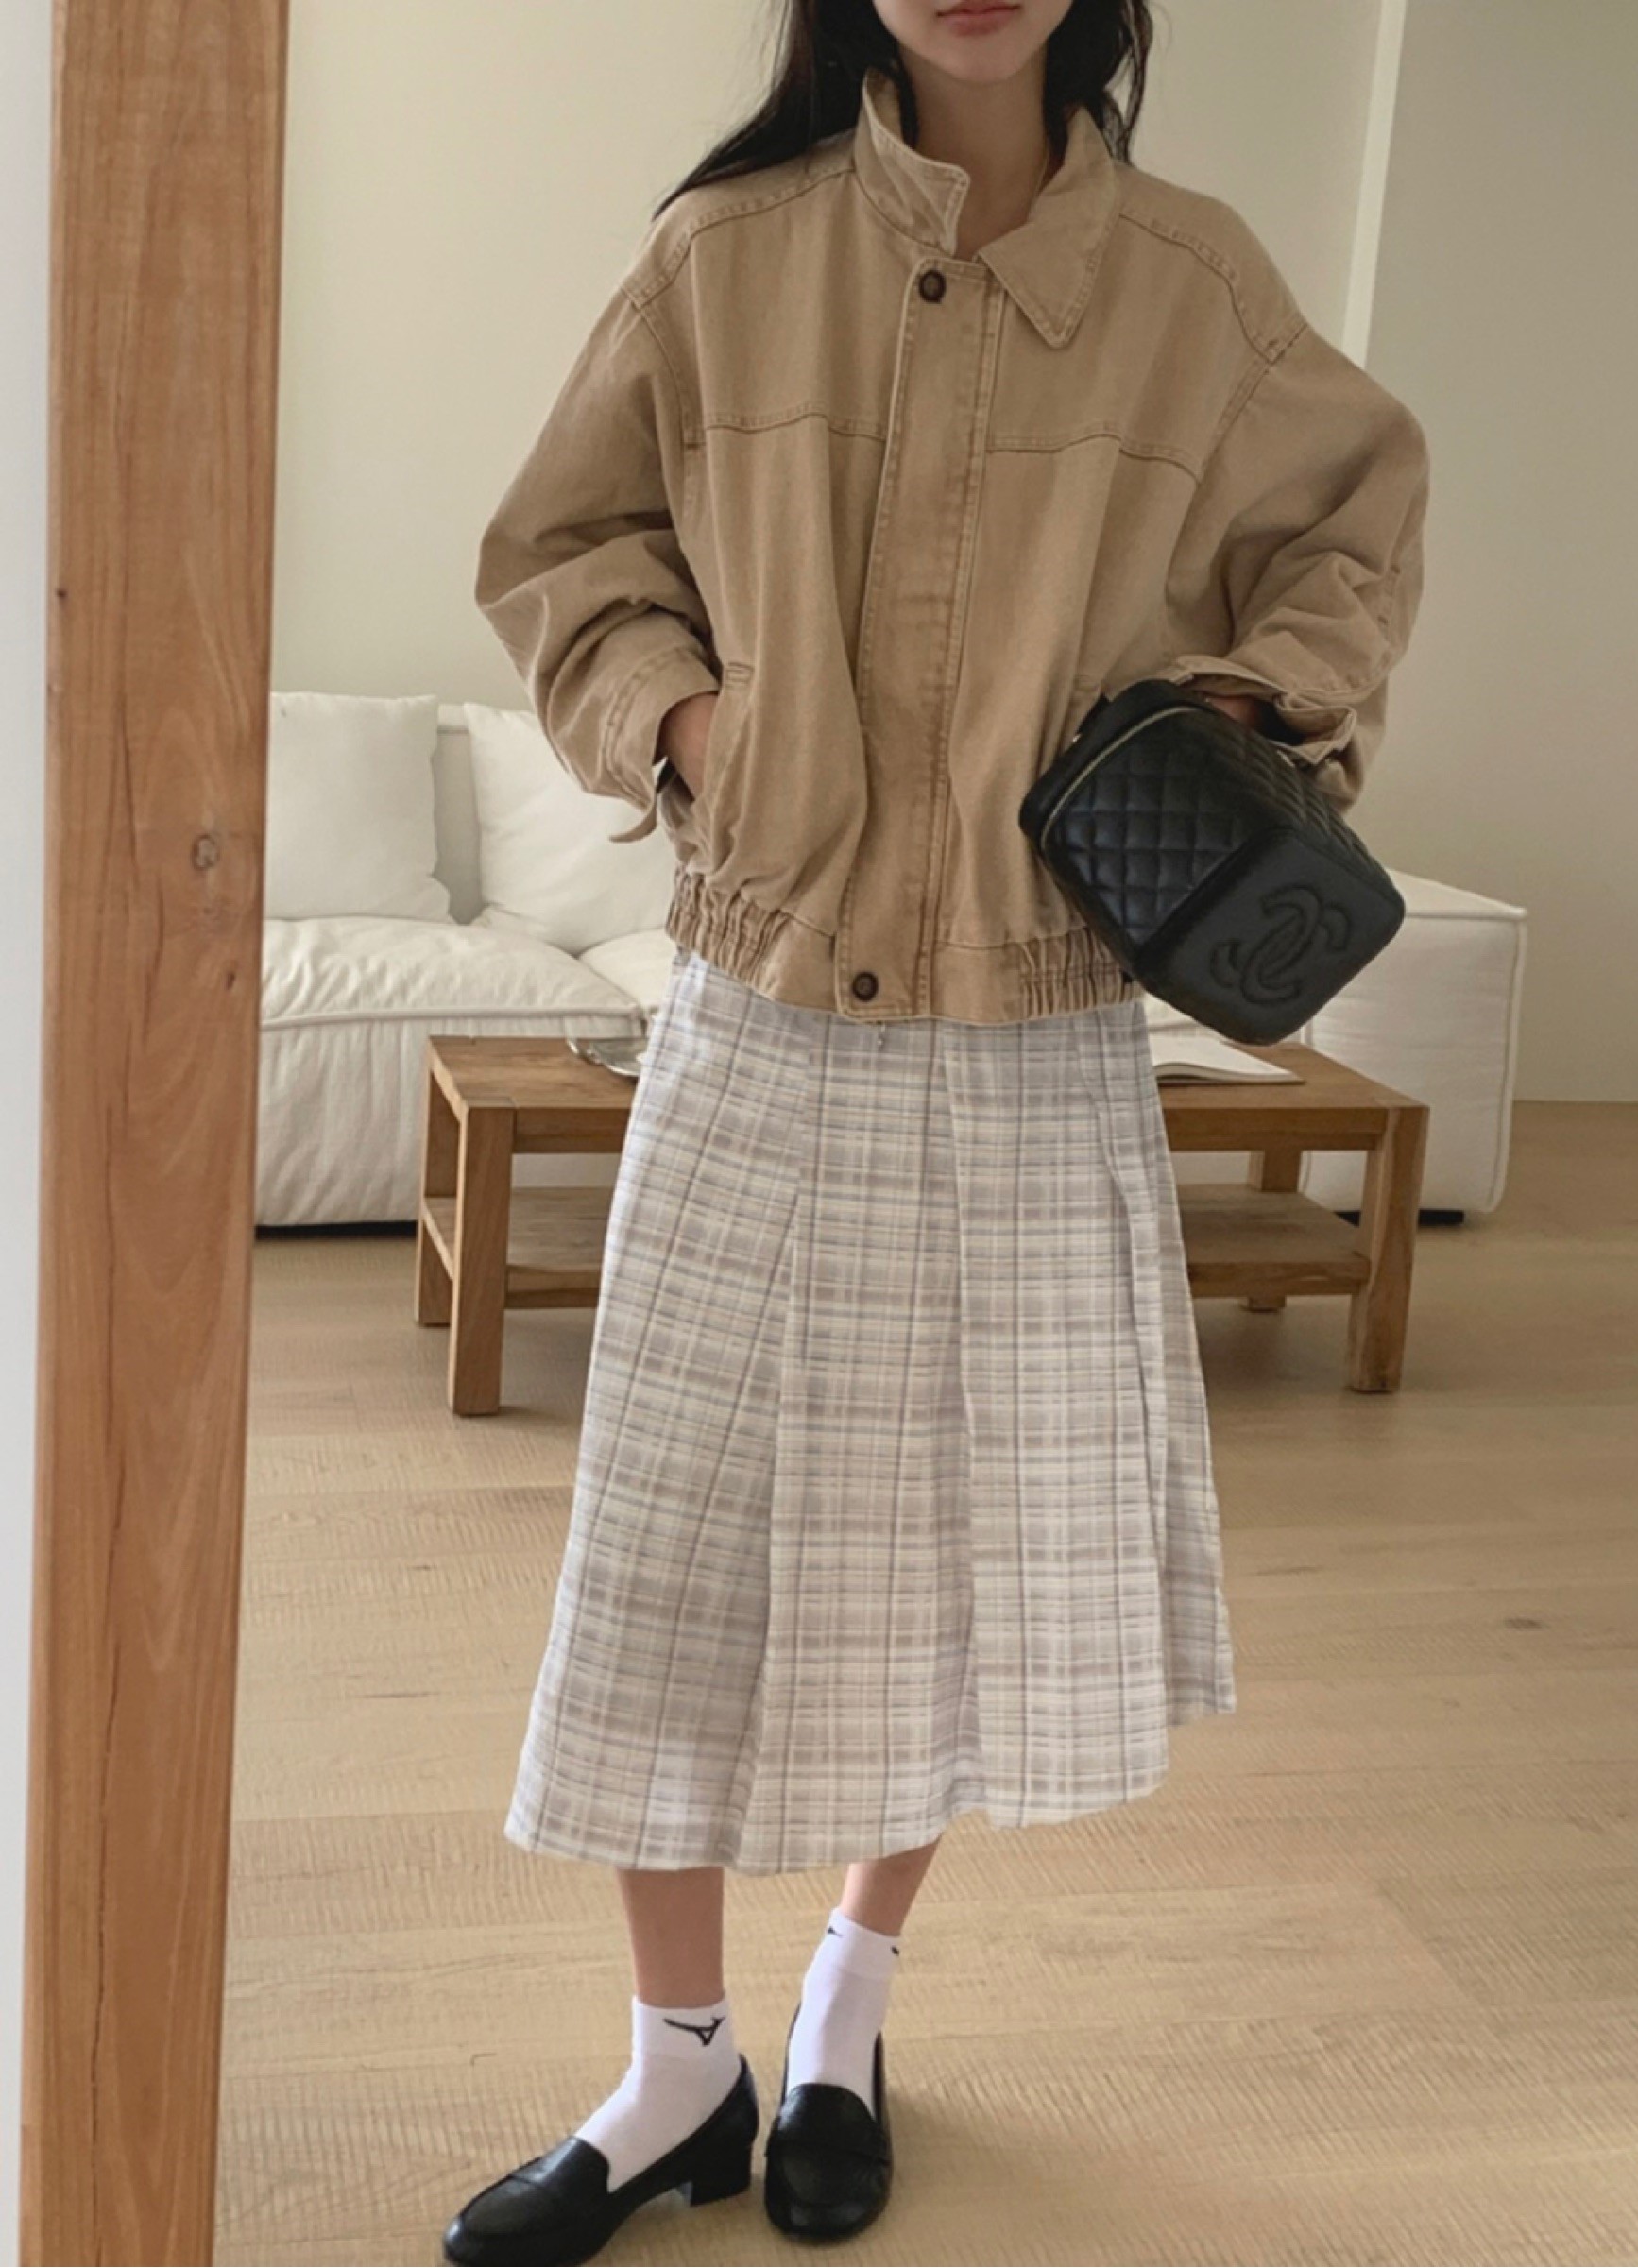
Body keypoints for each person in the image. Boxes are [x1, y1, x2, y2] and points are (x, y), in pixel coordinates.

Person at [446, 0, 1429, 2259]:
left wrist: (1233, 712)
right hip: (765, 995)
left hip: (1034, 1022)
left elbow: (1356, 525)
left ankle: (846, 2011)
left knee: (952, 1569)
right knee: (666, 1562)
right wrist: (694, 727)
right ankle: (674, 2067)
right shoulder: (725, 255)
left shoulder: (1192, 282)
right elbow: (566, 545)